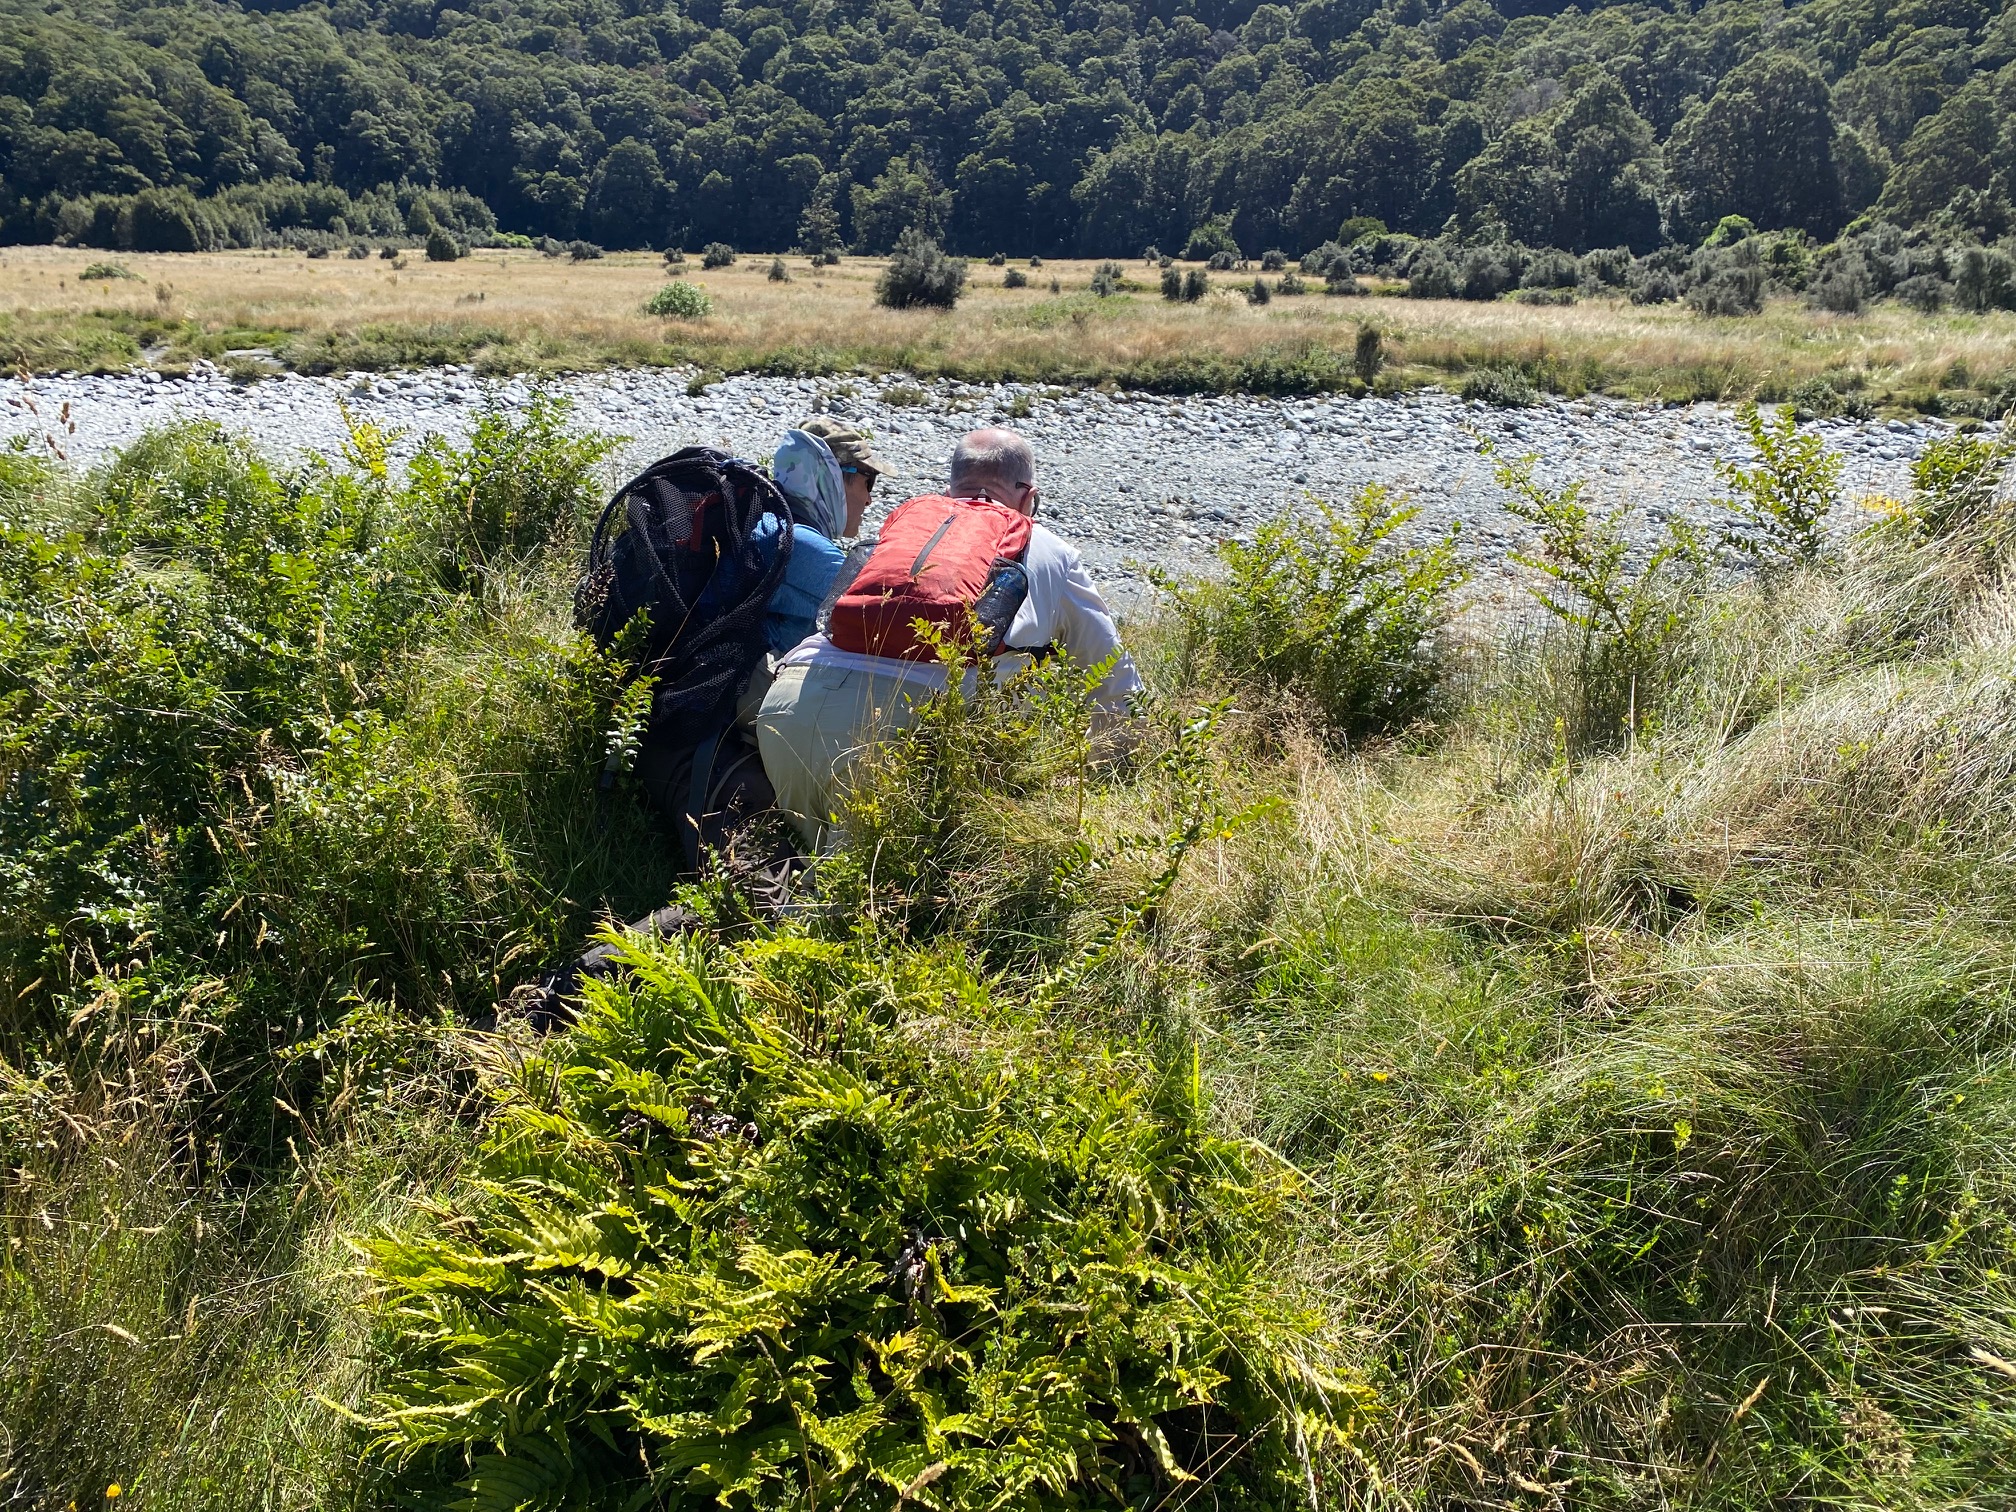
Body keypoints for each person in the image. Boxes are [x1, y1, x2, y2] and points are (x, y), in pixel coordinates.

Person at [756, 426, 1141, 848]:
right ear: (1029, 499)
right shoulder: (1050, 549)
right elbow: (1114, 681)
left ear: (950, 489)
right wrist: (1119, 777)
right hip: (904, 730)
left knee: (812, 866)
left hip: (790, 708)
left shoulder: (909, 526)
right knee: (868, 882)